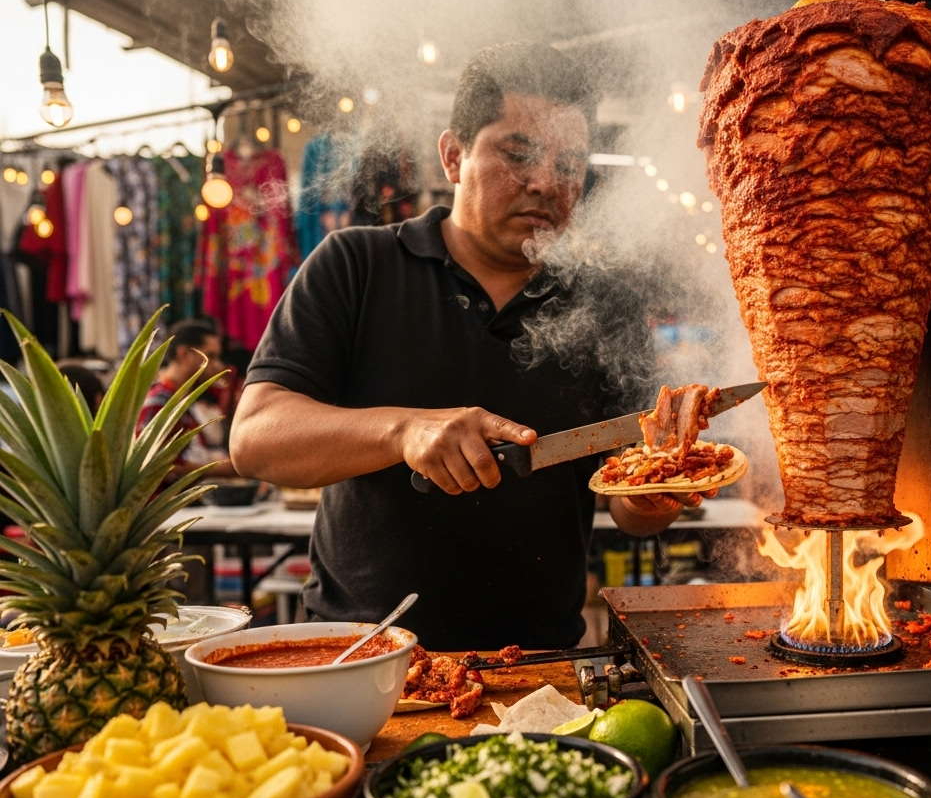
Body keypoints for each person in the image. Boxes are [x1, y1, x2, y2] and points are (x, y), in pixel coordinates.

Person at [230, 43, 713, 650]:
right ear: (454, 156)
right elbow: (255, 439)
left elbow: (629, 509)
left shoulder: (603, 304)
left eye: (570, 164)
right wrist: (404, 432)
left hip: (540, 660)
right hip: (365, 653)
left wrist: (664, 484)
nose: (545, 182)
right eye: (518, 154)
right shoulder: (356, 265)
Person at [137, 320, 236, 482]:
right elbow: (153, 466)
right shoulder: (158, 402)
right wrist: (226, 469)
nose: (217, 365)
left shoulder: (181, 399)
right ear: (183, 354)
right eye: (210, 356)